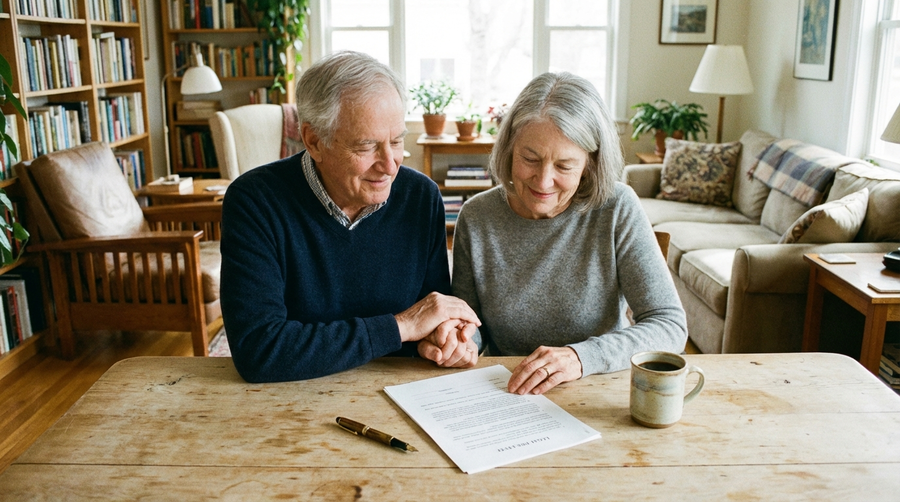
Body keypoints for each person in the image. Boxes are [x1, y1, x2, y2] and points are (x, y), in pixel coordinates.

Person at [419, 72, 687, 395]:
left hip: (597, 390)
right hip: (510, 394)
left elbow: (669, 325)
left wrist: (580, 356)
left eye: (564, 166)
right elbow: (473, 330)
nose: (543, 182)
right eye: (530, 159)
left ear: (590, 163)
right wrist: (458, 342)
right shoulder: (477, 218)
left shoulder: (616, 208)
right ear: (509, 149)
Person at [220, 51, 480, 383]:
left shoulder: (421, 198)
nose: (390, 165)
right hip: (293, 397)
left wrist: (445, 337)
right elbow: (260, 350)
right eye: (366, 146)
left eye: (397, 141)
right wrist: (401, 327)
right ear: (314, 141)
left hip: (403, 392)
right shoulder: (254, 202)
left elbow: (430, 314)